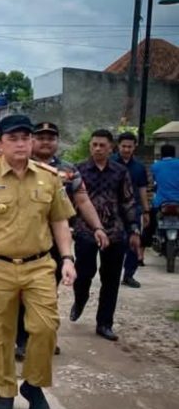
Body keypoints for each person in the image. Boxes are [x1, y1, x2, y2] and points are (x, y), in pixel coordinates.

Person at [0, 114, 76, 409]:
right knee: (2, 332)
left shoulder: (49, 178)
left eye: (25, 138)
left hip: (39, 265)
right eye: (13, 138)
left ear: (32, 141)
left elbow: (59, 221)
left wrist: (67, 258)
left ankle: (34, 385)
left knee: (45, 327)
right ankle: (5, 390)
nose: (21, 143)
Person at [15, 121, 109, 360]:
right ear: (32, 140)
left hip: (57, 241)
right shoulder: (18, 165)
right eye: (41, 137)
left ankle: (44, 336)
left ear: (57, 142)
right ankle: (22, 339)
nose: (46, 141)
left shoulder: (68, 171)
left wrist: (97, 226)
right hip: (22, 239)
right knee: (20, 291)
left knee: (48, 291)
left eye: (51, 137)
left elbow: (83, 200)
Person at [71, 129, 139, 342]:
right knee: (83, 273)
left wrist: (134, 228)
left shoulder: (120, 172)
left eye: (102, 145)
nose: (98, 149)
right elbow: (70, 201)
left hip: (115, 231)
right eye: (94, 145)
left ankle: (104, 323)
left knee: (110, 279)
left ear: (111, 148)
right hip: (85, 230)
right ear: (90, 146)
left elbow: (128, 200)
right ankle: (80, 299)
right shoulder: (79, 170)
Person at [112, 131, 150, 287]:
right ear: (118, 147)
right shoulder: (110, 163)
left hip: (134, 210)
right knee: (114, 244)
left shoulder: (139, 167)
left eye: (129, 146)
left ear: (134, 147)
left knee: (134, 243)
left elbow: (142, 190)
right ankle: (111, 273)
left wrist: (146, 211)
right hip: (113, 210)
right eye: (123, 146)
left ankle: (129, 275)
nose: (126, 149)